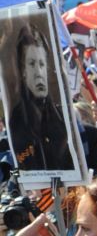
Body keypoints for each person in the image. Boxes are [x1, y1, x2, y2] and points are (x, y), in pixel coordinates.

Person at [6, 21, 74, 174]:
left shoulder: (61, 114)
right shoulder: (18, 118)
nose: (38, 72)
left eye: (42, 64)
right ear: (23, 71)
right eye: (32, 64)